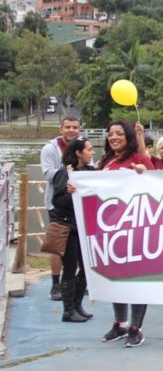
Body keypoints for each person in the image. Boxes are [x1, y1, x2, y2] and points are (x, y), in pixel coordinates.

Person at [98, 120, 153, 347]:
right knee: (115, 277)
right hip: (111, 230)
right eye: (111, 133)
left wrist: (144, 174)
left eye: (119, 133)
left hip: (136, 228)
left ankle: (136, 327)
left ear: (128, 136)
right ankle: (119, 324)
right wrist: (76, 187)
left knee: (137, 279)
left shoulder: (139, 159)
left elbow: (158, 185)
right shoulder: (105, 162)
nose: (114, 137)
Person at [50, 138, 96, 322]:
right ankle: (68, 311)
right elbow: (57, 201)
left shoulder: (91, 172)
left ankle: (77, 305)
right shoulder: (64, 173)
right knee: (69, 266)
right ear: (78, 152)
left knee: (86, 267)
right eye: (89, 150)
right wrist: (70, 194)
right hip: (66, 225)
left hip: (83, 225)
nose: (92, 153)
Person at [41, 117, 82, 301]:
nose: (71, 130)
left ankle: (77, 282)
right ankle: (55, 284)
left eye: (75, 127)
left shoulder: (82, 146)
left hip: (78, 205)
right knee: (58, 246)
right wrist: (70, 174)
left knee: (78, 246)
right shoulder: (50, 149)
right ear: (61, 129)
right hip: (57, 203)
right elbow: (48, 173)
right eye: (68, 127)